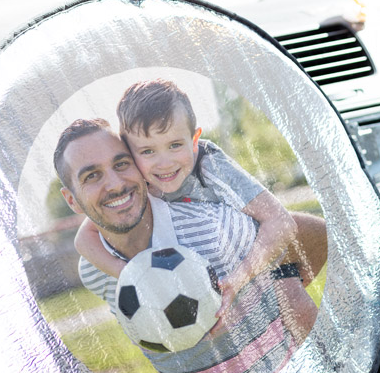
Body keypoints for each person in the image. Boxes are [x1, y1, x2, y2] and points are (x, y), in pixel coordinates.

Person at [53, 118, 321, 373]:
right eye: (91, 176)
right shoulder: (94, 270)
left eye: (121, 164)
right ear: (72, 200)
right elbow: (158, 350)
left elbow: (311, 233)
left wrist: (285, 282)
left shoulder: (211, 228)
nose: (115, 184)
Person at [73, 78, 323, 339]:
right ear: (129, 151)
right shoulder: (135, 183)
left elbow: (281, 222)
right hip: (198, 273)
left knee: (294, 304)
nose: (164, 163)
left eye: (175, 145)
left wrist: (239, 279)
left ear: (194, 139)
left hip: (258, 257)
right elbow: (84, 239)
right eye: (147, 151)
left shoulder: (209, 164)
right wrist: (130, 274)